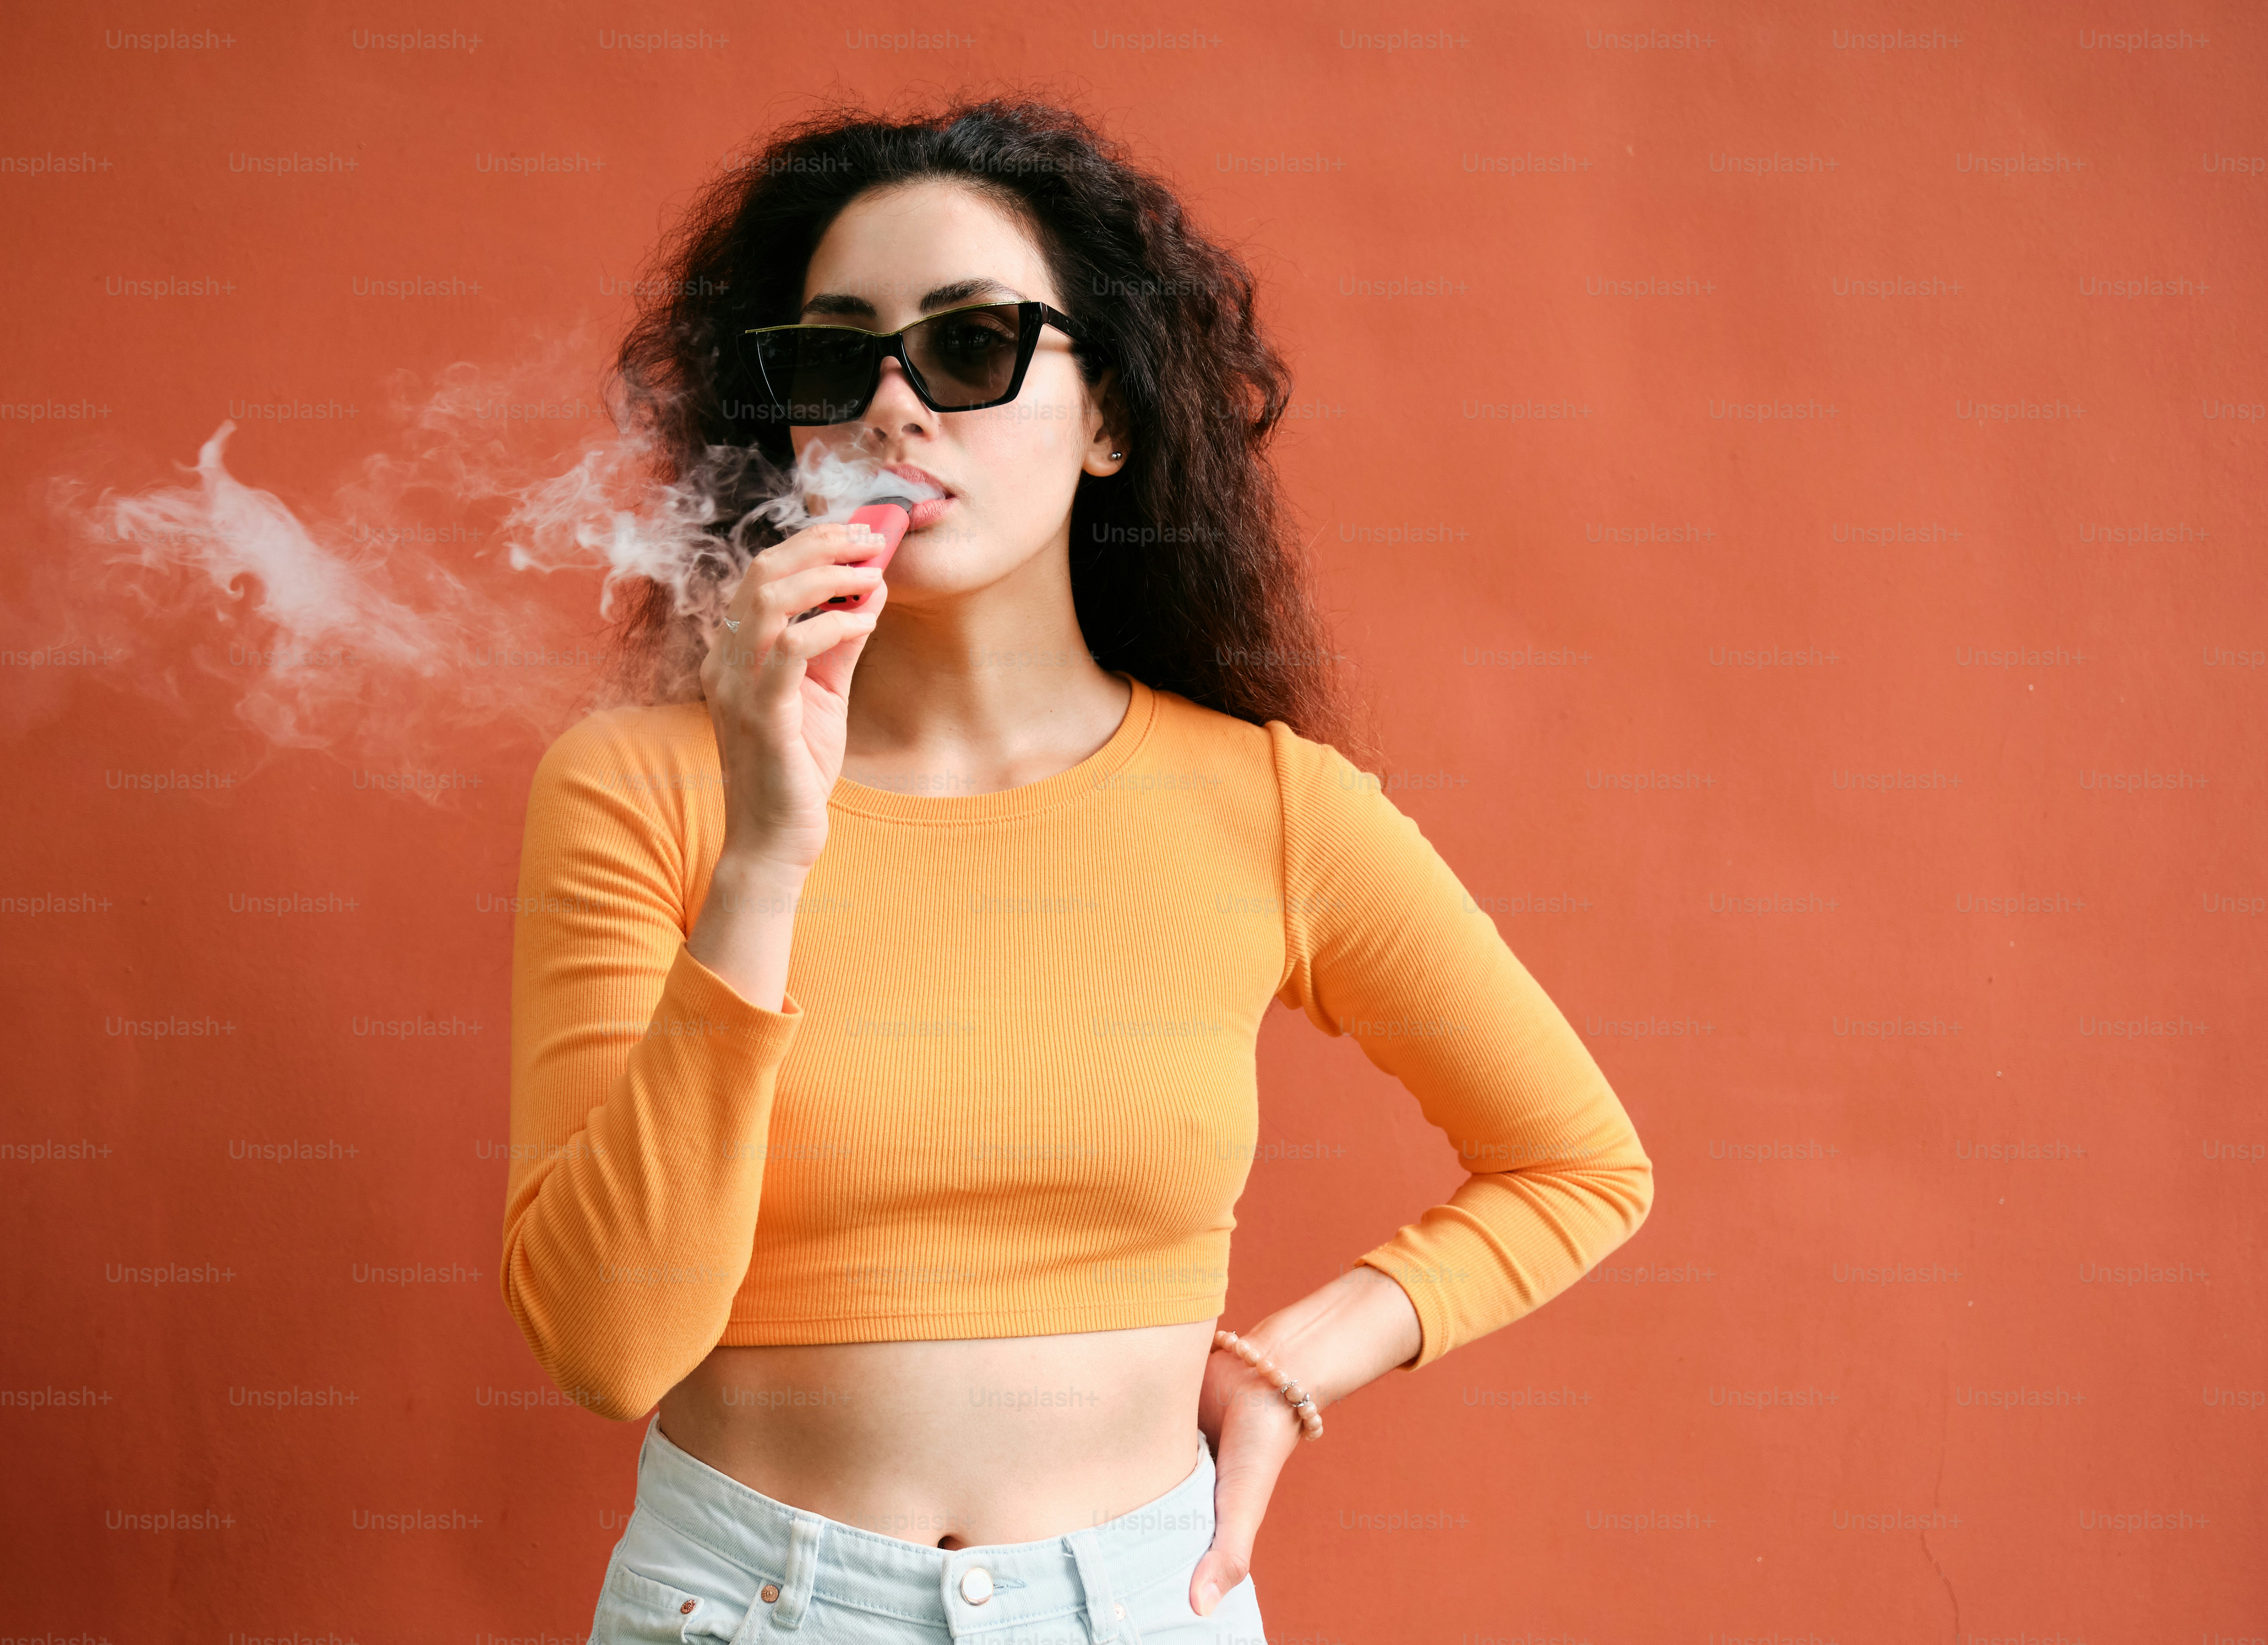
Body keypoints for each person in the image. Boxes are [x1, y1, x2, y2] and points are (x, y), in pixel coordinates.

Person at [499, 96, 1655, 1645]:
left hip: (1136, 1610)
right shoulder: (643, 790)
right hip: (750, 1609)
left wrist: (1292, 1365)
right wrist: (771, 846)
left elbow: (1580, 1167)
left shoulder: (1264, 803)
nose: (894, 413)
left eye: (970, 348)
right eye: (836, 359)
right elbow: (605, 1349)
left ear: (1107, 411)